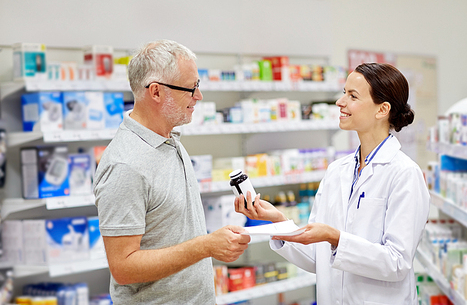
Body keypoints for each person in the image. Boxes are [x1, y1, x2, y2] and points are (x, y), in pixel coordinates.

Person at [235, 62, 430, 304]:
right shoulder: (337, 171)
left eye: (352, 96)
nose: (340, 102)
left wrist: (336, 238)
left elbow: (397, 263)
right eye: (344, 92)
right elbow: (318, 258)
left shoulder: (404, 174)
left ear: (382, 110)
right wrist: (279, 221)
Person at [94, 39, 251, 304]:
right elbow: (123, 267)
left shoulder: (170, 140)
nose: (198, 96)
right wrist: (205, 246)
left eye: (197, 86)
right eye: (190, 88)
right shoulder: (125, 165)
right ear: (155, 92)